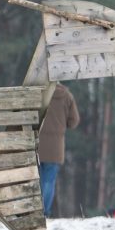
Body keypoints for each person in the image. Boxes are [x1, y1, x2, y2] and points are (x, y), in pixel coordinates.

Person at [37, 83, 80, 216]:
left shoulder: (39, 92)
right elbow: (74, 121)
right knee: (49, 181)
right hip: (56, 146)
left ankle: (32, 210)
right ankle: (44, 212)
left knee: (36, 180)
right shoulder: (67, 96)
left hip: (36, 143)